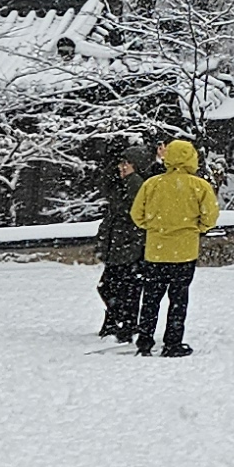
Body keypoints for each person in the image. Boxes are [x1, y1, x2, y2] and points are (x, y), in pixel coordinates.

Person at [129, 136, 221, 357]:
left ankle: (144, 341)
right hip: (185, 251)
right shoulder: (199, 186)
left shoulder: (152, 184)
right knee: (178, 299)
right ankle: (173, 343)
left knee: (151, 299)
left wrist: (154, 228)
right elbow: (210, 217)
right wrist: (196, 228)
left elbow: (137, 215)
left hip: (156, 251)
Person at [92, 139, 146, 341]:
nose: (122, 168)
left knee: (123, 287)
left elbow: (132, 209)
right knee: (112, 286)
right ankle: (118, 320)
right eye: (121, 163)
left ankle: (124, 322)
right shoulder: (121, 184)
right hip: (119, 244)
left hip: (130, 245)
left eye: (127, 164)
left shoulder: (136, 184)